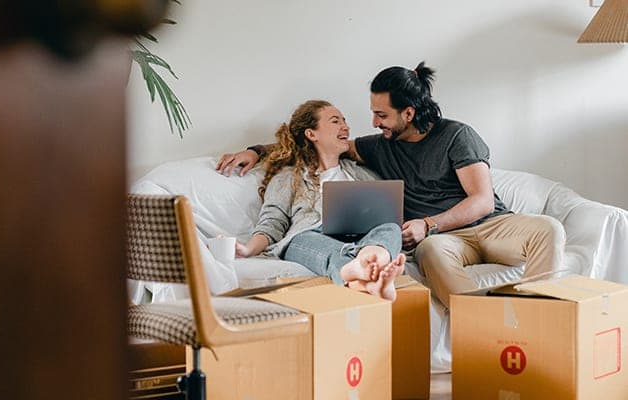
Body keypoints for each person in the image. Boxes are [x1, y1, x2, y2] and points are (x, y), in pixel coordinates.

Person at [217, 62, 566, 308]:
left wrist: (427, 224)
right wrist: (256, 150)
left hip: (490, 227)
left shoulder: (457, 136)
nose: (371, 122)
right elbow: (305, 151)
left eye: (381, 115)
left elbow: (482, 201)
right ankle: (478, 320)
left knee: (549, 229)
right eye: (372, 113)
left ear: (409, 113)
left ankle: (539, 315)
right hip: (440, 242)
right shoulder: (373, 147)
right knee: (429, 252)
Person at [232, 99, 406, 300]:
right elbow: (272, 223)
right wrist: (247, 249)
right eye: (335, 121)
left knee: (390, 227)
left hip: (361, 239)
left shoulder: (362, 174)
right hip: (310, 238)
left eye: (344, 120)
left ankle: (369, 268)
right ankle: (361, 272)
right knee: (300, 239)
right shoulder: (289, 177)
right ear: (311, 134)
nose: (346, 127)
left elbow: (385, 215)